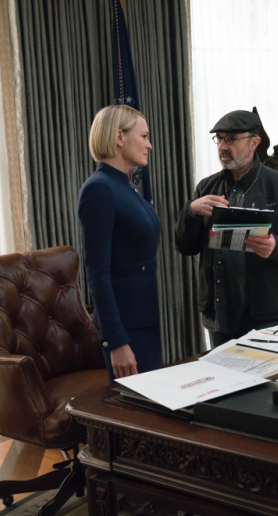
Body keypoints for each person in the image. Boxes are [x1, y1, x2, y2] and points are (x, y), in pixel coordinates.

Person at [175, 110, 278, 348]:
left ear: (254, 142)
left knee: (267, 372)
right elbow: (186, 247)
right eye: (219, 138)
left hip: (267, 314)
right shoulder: (206, 187)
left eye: (231, 139)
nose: (223, 146)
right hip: (220, 312)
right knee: (221, 372)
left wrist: (276, 247)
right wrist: (190, 211)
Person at [78, 105, 161, 381]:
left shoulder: (128, 186)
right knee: (138, 407)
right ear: (119, 137)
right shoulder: (99, 189)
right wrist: (115, 341)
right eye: (144, 136)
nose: (149, 144)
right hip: (125, 329)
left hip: (145, 319)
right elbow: (97, 274)